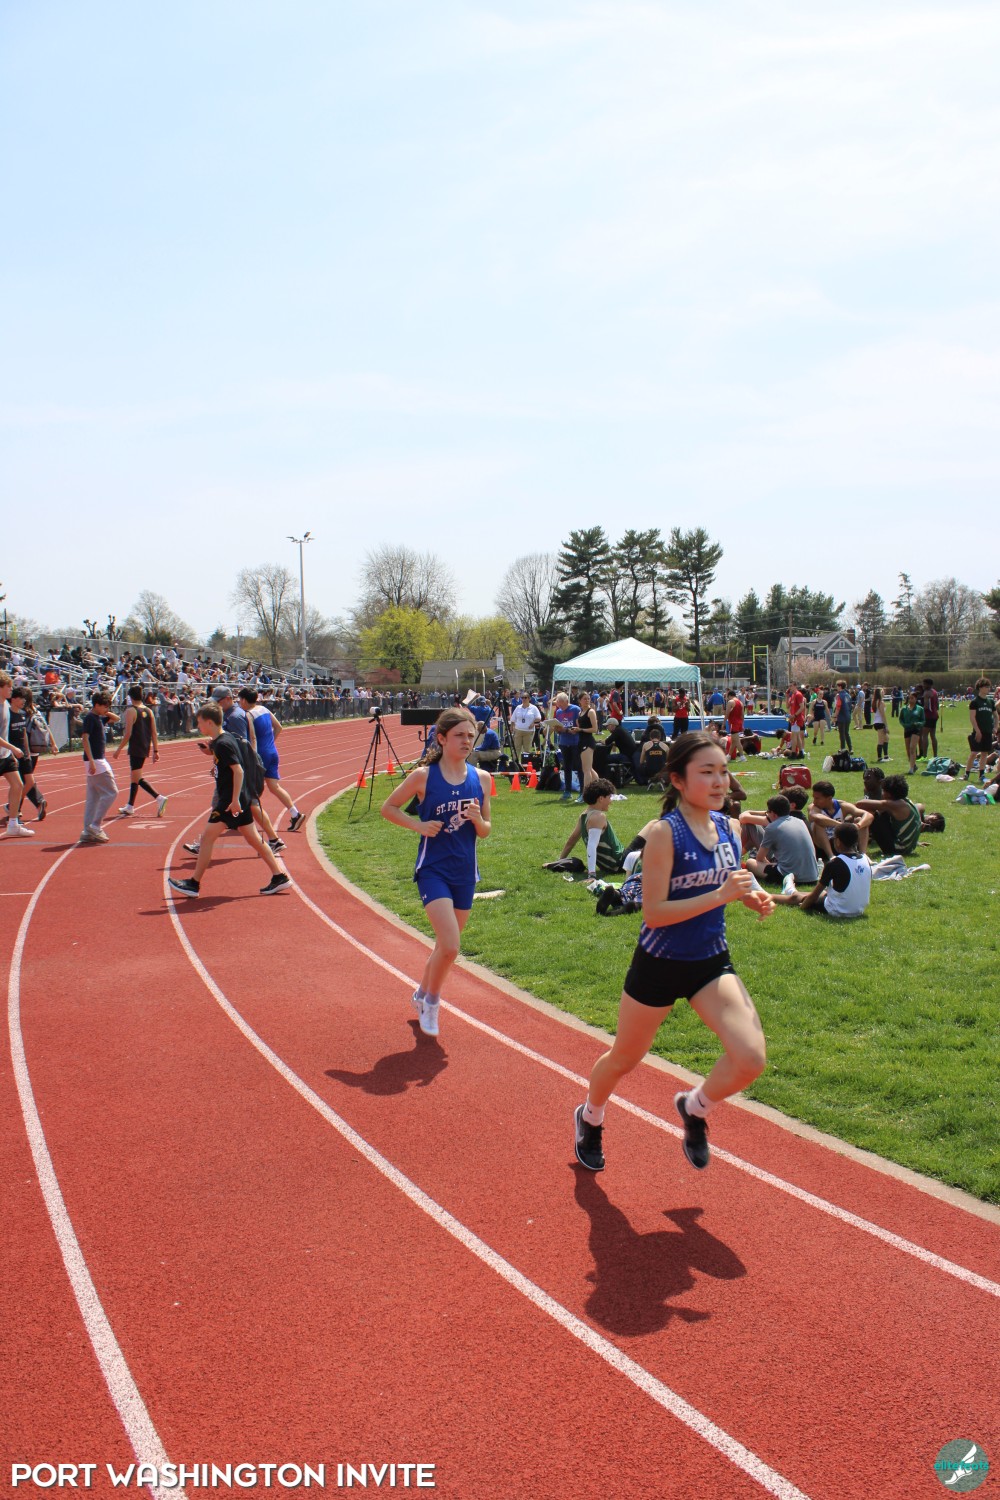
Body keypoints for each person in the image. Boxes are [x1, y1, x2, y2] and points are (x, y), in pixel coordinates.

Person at [573, 731, 773, 1174]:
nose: (720, 781)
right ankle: (591, 1116)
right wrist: (721, 895)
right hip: (659, 964)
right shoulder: (664, 834)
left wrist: (751, 895)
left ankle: (695, 1107)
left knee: (750, 1058)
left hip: (710, 961)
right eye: (707, 772)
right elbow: (655, 913)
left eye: (724, 771)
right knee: (625, 1058)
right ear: (678, 780)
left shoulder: (730, 828)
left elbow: (730, 879)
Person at [381, 708, 491, 1038]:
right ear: (441, 738)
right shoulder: (423, 776)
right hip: (433, 870)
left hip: (465, 872)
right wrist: (418, 825)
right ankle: (431, 1001)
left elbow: (486, 831)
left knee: (444, 946)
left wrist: (478, 820)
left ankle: (420, 993)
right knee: (451, 946)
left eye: (470, 735)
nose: (466, 741)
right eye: (459, 735)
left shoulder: (482, 778)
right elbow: (388, 807)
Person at [168, 701, 290, 898]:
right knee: (254, 839)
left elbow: (238, 771)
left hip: (230, 801)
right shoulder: (224, 739)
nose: (198, 726)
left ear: (209, 722)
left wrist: (234, 801)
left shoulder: (223, 744)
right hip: (238, 798)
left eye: (200, 722)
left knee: (207, 838)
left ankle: (194, 883)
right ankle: (279, 876)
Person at [238, 687, 305, 831]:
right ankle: (295, 814)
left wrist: (253, 756)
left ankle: (246, 820)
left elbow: (252, 738)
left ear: (243, 700)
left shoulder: (248, 715)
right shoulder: (264, 709)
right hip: (272, 752)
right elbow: (279, 727)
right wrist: (270, 743)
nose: (238, 703)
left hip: (260, 755)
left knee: (251, 788)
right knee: (274, 787)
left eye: (239, 700)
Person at [773, 823, 872, 918]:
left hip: (838, 909)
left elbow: (814, 896)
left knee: (796, 897)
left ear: (837, 841)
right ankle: (789, 888)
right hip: (859, 909)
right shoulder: (865, 859)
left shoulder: (835, 863)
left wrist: (803, 907)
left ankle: (777, 893)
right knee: (825, 893)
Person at [554, 777, 625, 880]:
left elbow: (571, 840)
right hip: (619, 862)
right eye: (609, 797)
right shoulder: (598, 816)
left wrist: (559, 861)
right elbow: (592, 846)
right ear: (601, 799)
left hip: (608, 866)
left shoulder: (584, 816)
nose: (611, 801)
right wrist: (592, 875)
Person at [115, 683, 168, 818]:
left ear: (130, 697)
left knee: (137, 777)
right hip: (144, 746)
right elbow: (154, 733)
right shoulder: (149, 711)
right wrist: (156, 750)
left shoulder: (131, 711)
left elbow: (128, 734)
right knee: (134, 777)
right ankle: (130, 806)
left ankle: (159, 797)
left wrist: (119, 749)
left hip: (136, 747)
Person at [744, 795, 821, 888]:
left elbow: (760, 858)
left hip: (791, 877)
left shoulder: (772, 827)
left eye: (768, 812)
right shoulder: (800, 822)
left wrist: (770, 865)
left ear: (773, 814)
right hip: (813, 876)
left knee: (750, 863)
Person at [7, 684, 57, 822]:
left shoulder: (22, 712)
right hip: (33, 750)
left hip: (23, 750)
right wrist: (53, 744)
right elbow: (46, 727)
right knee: (24, 781)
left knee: (22, 782)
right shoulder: (35, 711)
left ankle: (18, 806)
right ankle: (19, 807)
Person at [79, 690, 119, 844]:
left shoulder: (98, 718)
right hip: (96, 761)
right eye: (105, 706)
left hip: (96, 760)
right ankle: (95, 825)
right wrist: (92, 760)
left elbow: (116, 718)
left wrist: (105, 711)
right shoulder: (90, 718)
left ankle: (87, 830)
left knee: (93, 797)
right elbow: (85, 739)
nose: (107, 709)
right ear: (96, 705)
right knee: (111, 792)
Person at [0, 671, 34, 838]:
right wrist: (13, 748)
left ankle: (13, 825)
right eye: (8, 687)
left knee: (18, 785)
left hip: (5, 755)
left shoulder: (6, 705)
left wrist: (9, 752)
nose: (11, 690)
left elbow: (4, 733)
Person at [856, 774, 922, 857]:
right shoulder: (906, 802)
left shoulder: (895, 805)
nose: (882, 793)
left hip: (898, 849)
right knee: (877, 813)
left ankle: (858, 849)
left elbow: (860, 804)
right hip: (907, 848)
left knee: (869, 814)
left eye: (883, 791)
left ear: (889, 794)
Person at [807, 780, 873, 859]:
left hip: (840, 842)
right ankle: (831, 856)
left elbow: (868, 815)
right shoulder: (813, 807)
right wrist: (842, 825)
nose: (814, 801)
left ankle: (863, 855)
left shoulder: (842, 806)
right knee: (818, 823)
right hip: (822, 847)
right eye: (814, 797)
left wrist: (857, 826)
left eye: (817, 798)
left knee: (860, 820)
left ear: (829, 798)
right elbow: (816, 817)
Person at [546, 692, 581, 801]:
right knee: (566, 767)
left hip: (575, 742)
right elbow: (559, 727)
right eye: (558, 703)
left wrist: (565, 730)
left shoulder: (575, 709)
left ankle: (582, 790)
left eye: (561, 703)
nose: (559, 706)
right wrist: (557, 729)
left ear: (566, 701)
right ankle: (567, 790)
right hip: (564, 742)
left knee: (579, 766)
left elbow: (578, 727)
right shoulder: (559, 712)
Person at [962, 677, 997, 782]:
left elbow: (996, 716)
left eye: (989, 687)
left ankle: (981, 775)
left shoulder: (991, 702)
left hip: (988, 732)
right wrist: (977, 731)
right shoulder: (975, 702)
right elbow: (972, 718)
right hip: (978, 732)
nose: (988, 689)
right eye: (986, 687)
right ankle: (966, 774)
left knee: (984, 753)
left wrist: (995, 727)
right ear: (980, 688)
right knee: (974, 753)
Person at [576, 691, 599, 798]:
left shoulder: (591, 712)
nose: (587, 700)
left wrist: (581, 729)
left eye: (588, 698)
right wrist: (576, 729)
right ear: (580, 701)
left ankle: (585, 794)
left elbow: (595, 729)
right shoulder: (580, 713)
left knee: (586, 770)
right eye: (584, 699)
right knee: (589, 769)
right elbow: (580, 728)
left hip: (588, 741)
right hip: (581, 741)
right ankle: (600, 789)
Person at [898, 691, 924, 776]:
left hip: (915, 730)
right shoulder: (904, 709)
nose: (910, 700)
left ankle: (911, 769)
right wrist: (904, 725)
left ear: (916, 699)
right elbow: (900, 719)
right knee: (908, 750)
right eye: (909, 698)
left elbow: (923, 720)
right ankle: (914, 765)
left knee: (912, 747)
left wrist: (918, 724)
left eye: (912, 698)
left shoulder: (920, 709)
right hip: (907, 729)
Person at [510, 692, 541, 763]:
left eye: (525, 698)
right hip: (518, 730)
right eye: (522, 698)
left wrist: (533, 722)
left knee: (526, 749)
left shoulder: (533, 708)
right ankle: (515, 763)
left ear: (529, 699)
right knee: (516, 748)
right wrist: (512, 726)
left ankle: (525, 764)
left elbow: (539, 718)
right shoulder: (518, 707)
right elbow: (513, 719)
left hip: (529, 732)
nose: (523, 699)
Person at [920, 678, 939, 760]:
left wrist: (919, 710)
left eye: (924, 684)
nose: (923, 685)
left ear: (928, 684)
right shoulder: (934, 692)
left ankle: (924, 756)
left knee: (924, 735)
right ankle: (935, 755)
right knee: (933, 735)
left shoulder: (927, 693)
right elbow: (937, 705)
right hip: (935, 715)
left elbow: (926, 706)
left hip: (928, 716)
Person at [833, 679, 853, 754]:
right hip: (848, 715)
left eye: (837, 686)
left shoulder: (839, 696)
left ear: (840, 686)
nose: (836, 688)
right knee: (846, 733)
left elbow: (838, 707)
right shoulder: (848, 695)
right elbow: (850, 706)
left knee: (841, 733)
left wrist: (835, 716)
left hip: (841, 716)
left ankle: (843, 749)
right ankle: (850, 748)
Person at [871, 686, 889, 762]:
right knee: (881, 740)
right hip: (879, 722)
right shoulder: (880, 702)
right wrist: (886, 726)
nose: (883, 693)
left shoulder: (877, 701)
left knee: (886, 738)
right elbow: (883, 715)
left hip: (877, 722)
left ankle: (886, 756)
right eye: (882, 691)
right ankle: (879, 758)